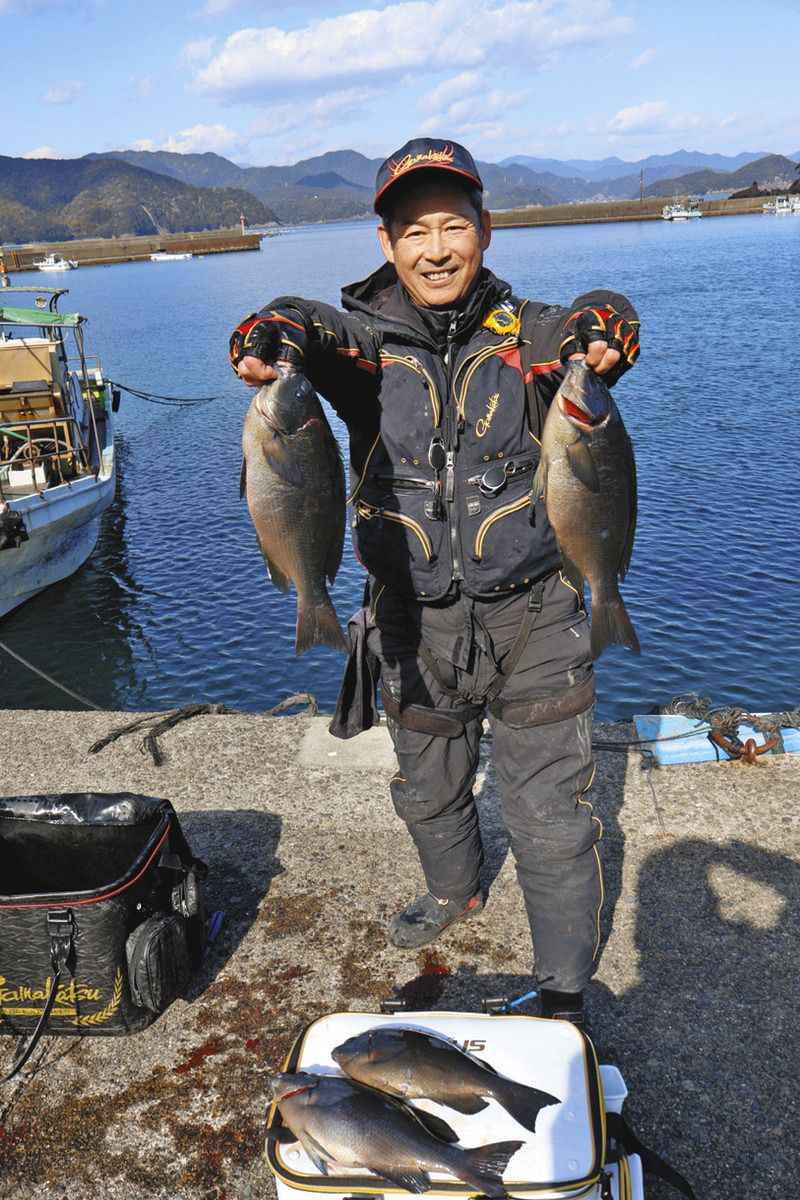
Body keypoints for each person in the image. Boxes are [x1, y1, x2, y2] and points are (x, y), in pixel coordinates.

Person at [230, 139, 640, 1026]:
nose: (437, 247)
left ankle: (565, 988)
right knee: (427, 786)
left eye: (456, 225)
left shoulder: (530, 336)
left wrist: (605, 323)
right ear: (386, 243)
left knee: (553, 821)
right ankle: (456, 891)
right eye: (415, 230)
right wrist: (272, 332)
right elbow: (302, 317)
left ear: (486, 232)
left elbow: (590, 317)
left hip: (537, 620)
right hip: (413, 626)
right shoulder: (362, 347)